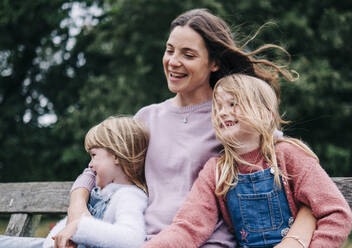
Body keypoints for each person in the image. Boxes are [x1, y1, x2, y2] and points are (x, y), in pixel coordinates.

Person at [59, 8, 318, 248]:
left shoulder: (231, 120)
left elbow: (291, 172)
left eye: (188, 55)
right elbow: (95, 167)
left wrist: (296, 239)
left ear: (214, 63)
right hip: (143, 240)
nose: (173, 61)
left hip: (207, 242)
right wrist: (77, 209)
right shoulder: (146, 117)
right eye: (169, 50)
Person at [141, 74, 352, 248]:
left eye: (233, 104)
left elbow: (336, 213)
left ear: (266, 114)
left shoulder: (288, 155)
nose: (223, 112)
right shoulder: (216, 171)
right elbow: (188, 228)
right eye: (218, 108)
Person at [0, 116, 149, 248]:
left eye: (94, 155)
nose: (89, 165)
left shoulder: (129, 196)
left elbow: (132, 240)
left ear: (116, 156)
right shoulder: (102, 192)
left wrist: (79, 227)